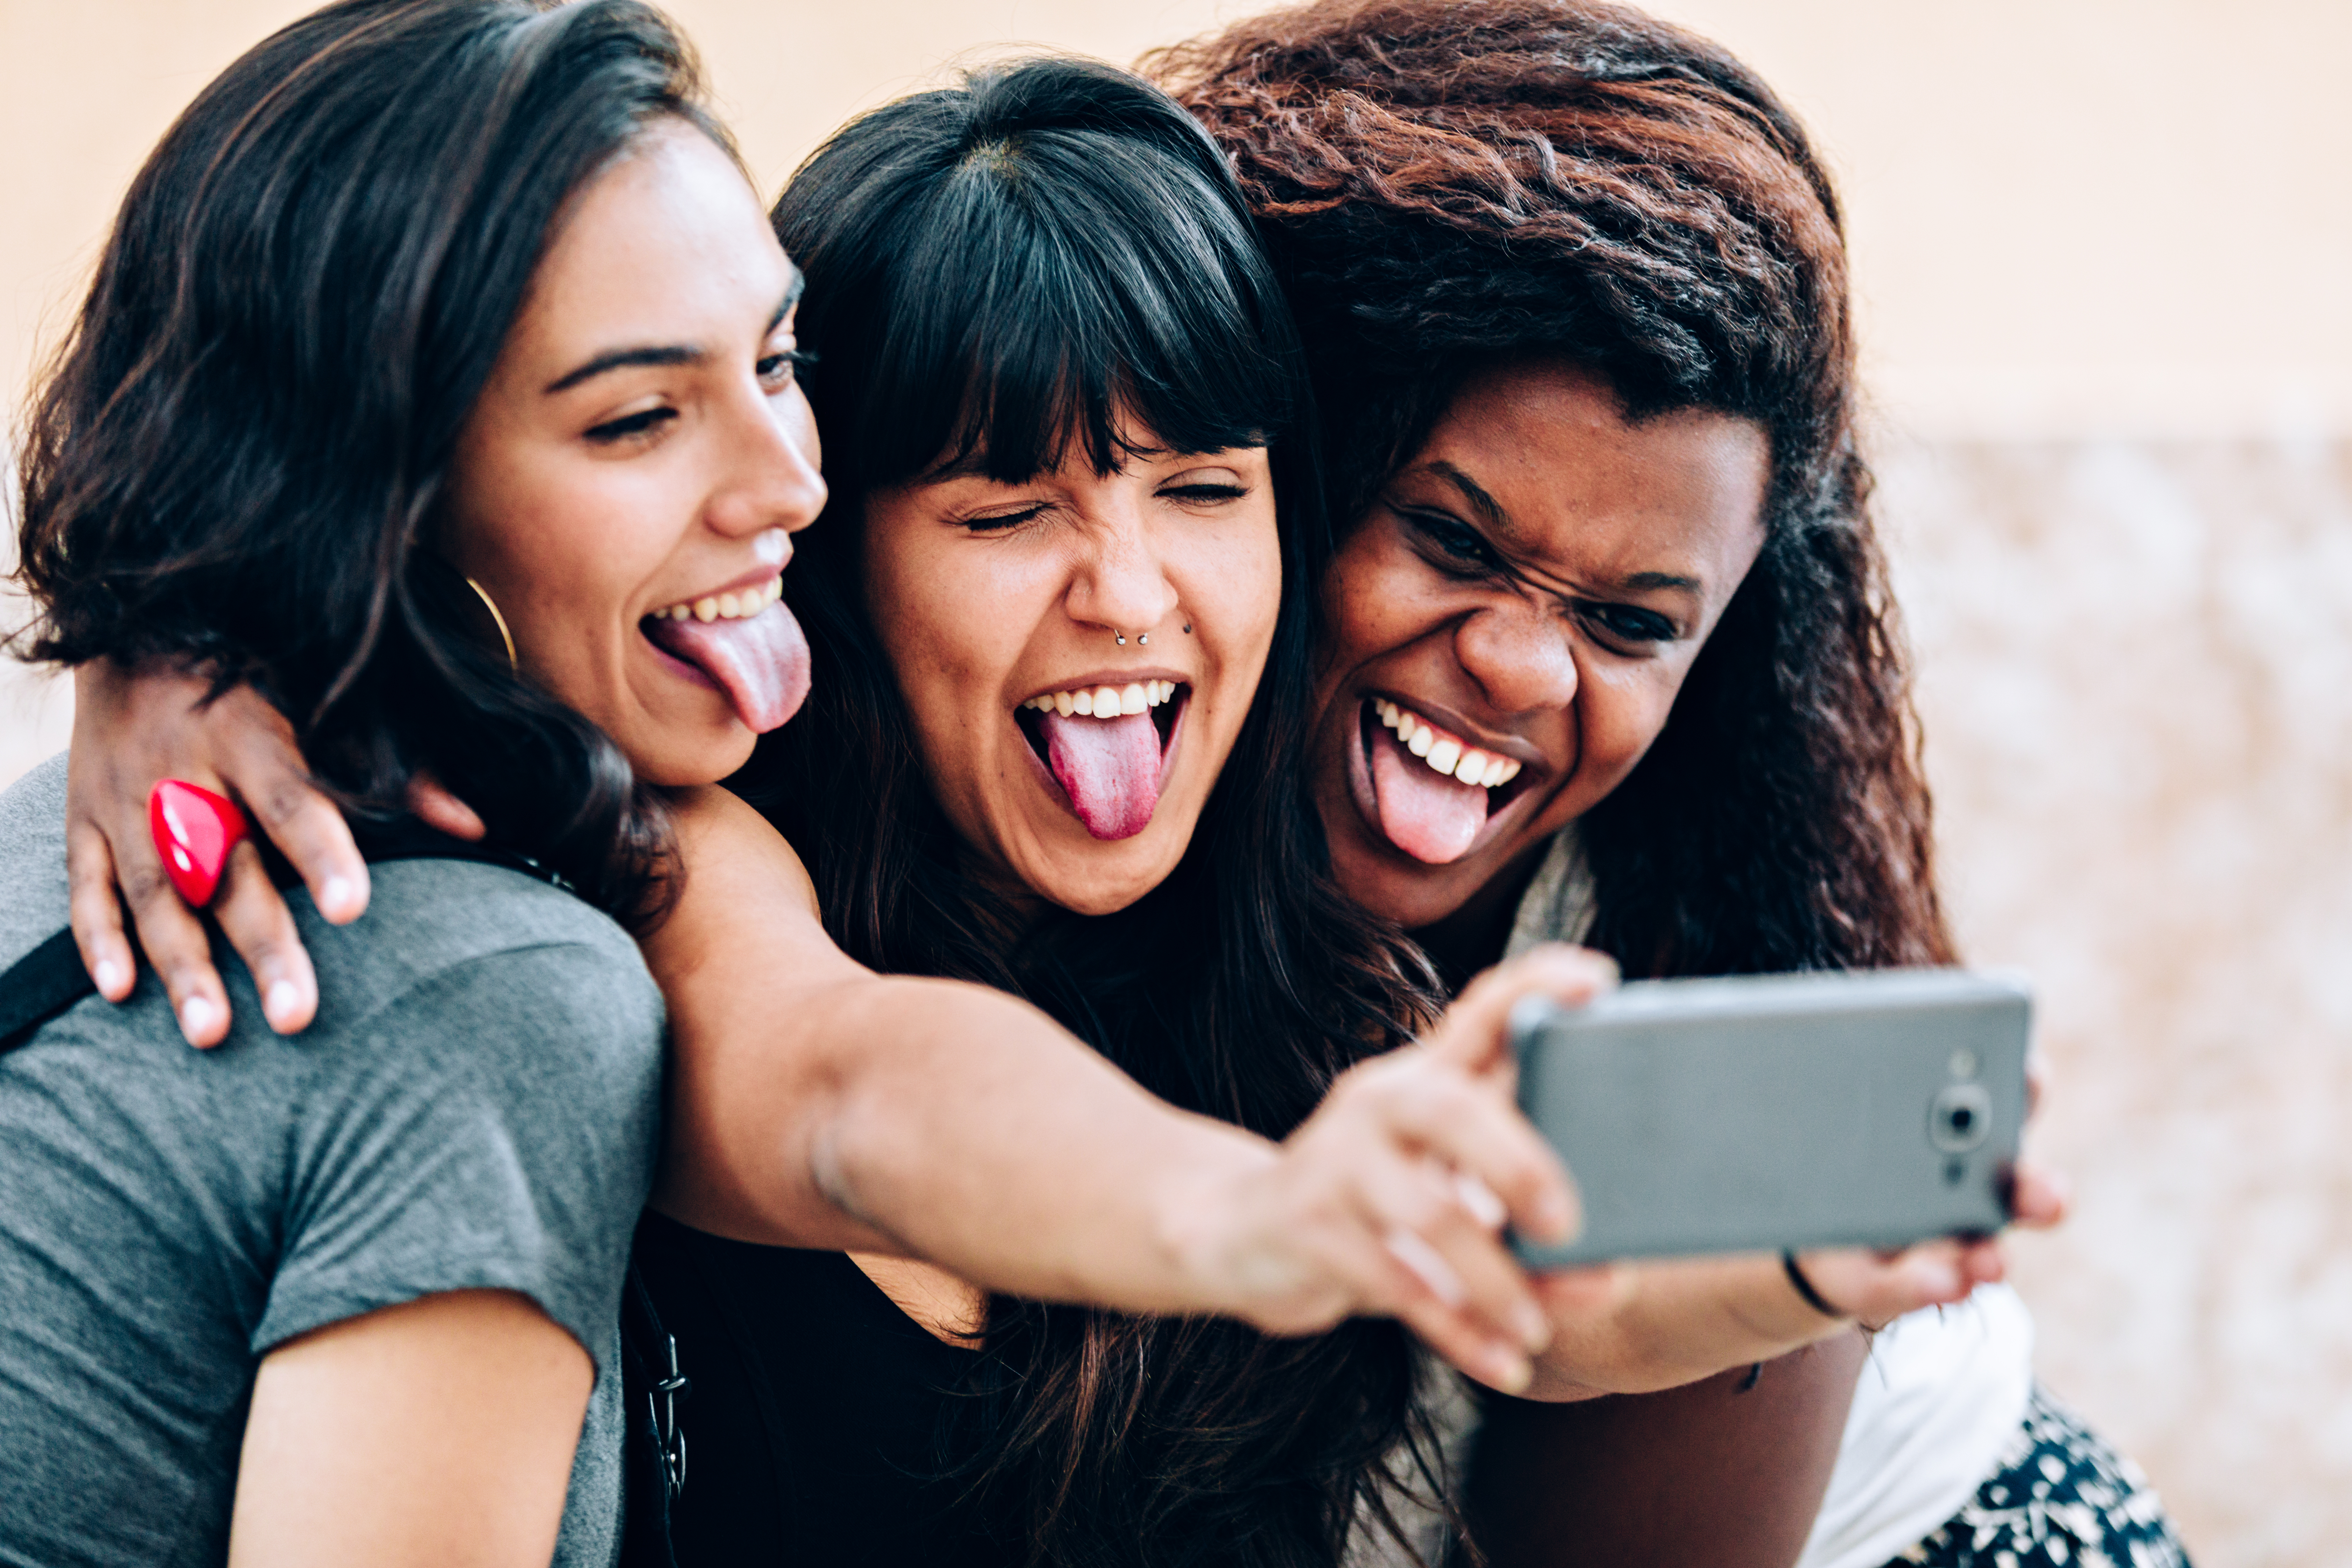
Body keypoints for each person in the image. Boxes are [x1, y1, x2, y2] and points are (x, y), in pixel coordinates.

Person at [54, 50, 2019, 1568]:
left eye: (1205, 489)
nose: (1131, 594)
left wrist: (1812, 1270)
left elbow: (1551, 1315)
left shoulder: (1321, 953)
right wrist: (179, 639)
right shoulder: (690, 867)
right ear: (840, 553)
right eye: (1004, 516)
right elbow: (845, 1095)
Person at [1153, 2, 2192, 1565]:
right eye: (1450, 538)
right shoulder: (1112, 801)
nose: (1524, 670)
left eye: (1631, 623)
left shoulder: (1706, 933)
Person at [0, 0, 822, 1561]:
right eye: (639, 416)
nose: (793, 478)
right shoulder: (490, 996)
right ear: (379, 495)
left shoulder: (71, 811)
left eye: (780, 356)